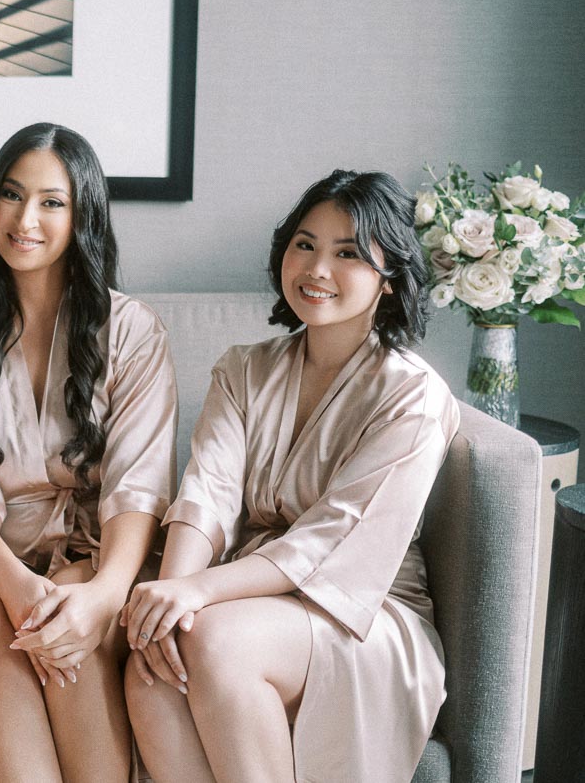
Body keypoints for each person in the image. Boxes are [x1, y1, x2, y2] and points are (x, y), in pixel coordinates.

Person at [123, 170, 459, 782]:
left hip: (364, 613)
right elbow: (208, 494)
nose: (317, 268)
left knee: (216, 640)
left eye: (348, 253)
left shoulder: (413, 397)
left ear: (390, 280)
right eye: (305, 244)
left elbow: (333, 538)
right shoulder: (244, 369)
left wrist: (198, 595)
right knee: (151, 666)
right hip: (247, 598)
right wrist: (170, 598)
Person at [0, 122, 177, 782]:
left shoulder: (132, 330)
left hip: (107, 557)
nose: (25, 217)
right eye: (11, 194)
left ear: (83, 215)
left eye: (51, 201)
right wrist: (14, 586)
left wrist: (105, 594)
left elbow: (138, 484)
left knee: (71, 601)